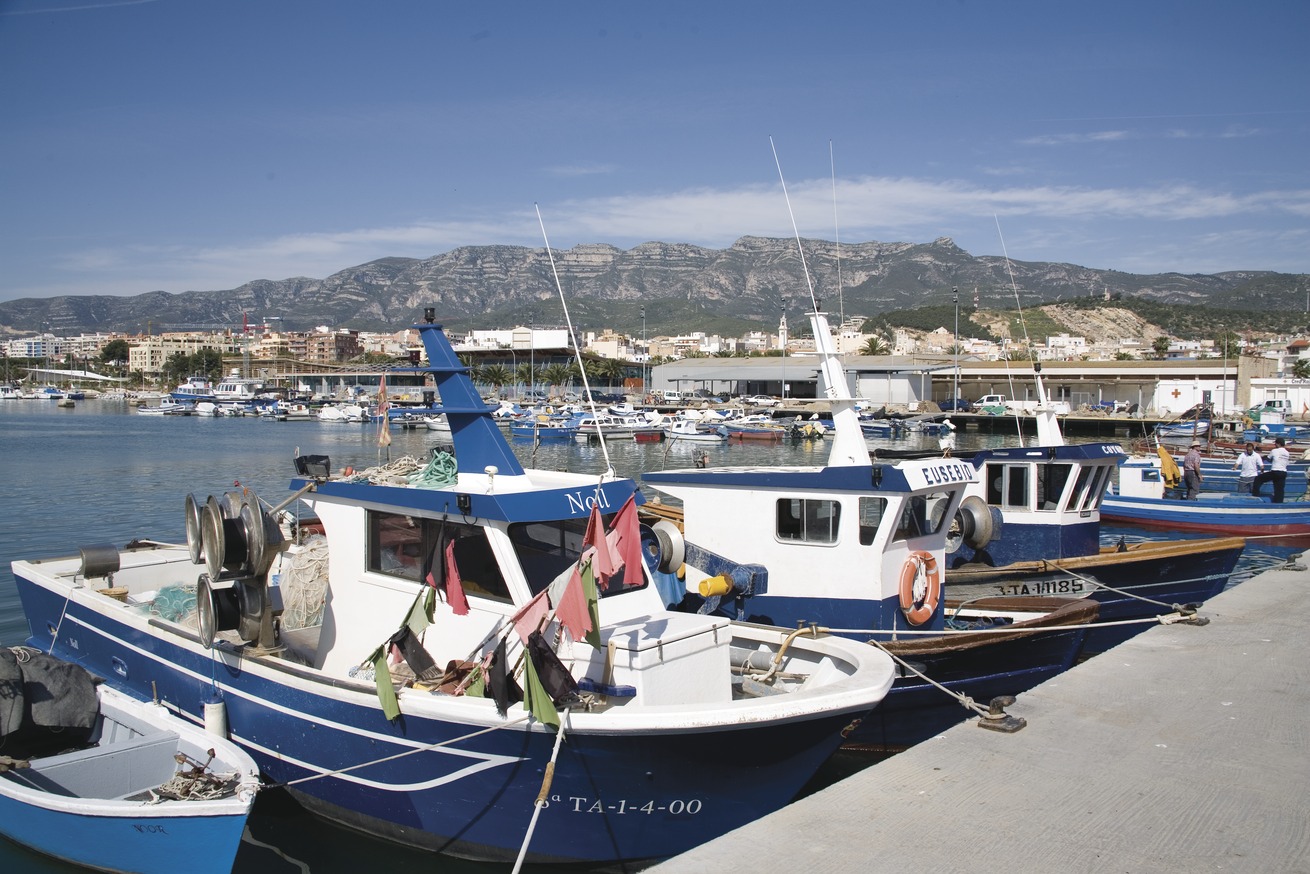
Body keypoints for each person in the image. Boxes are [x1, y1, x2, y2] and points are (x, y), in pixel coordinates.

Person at [1253, 437, 1291, 503]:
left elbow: (1268, 459)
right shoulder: (1287, 453)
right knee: (1279, 489)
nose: (1275, 445)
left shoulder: (1274, 451)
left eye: (1275, 443)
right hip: (1283, 473)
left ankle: (1255, 495)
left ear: (1279, 444)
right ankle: (1279, 503)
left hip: (1275, 471)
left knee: (1258, 479)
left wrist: (1263, 458)